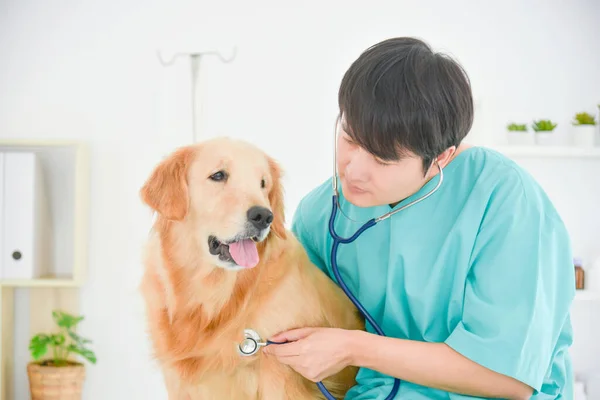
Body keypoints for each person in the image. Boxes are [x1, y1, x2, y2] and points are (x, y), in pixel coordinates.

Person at [262, 37, 575, 399]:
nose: (354, 171)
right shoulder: (322, 213)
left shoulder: (504, 200)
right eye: (349, 138)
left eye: (382, 160)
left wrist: (355, 348)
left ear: (441, 158)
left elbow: (508, 379)